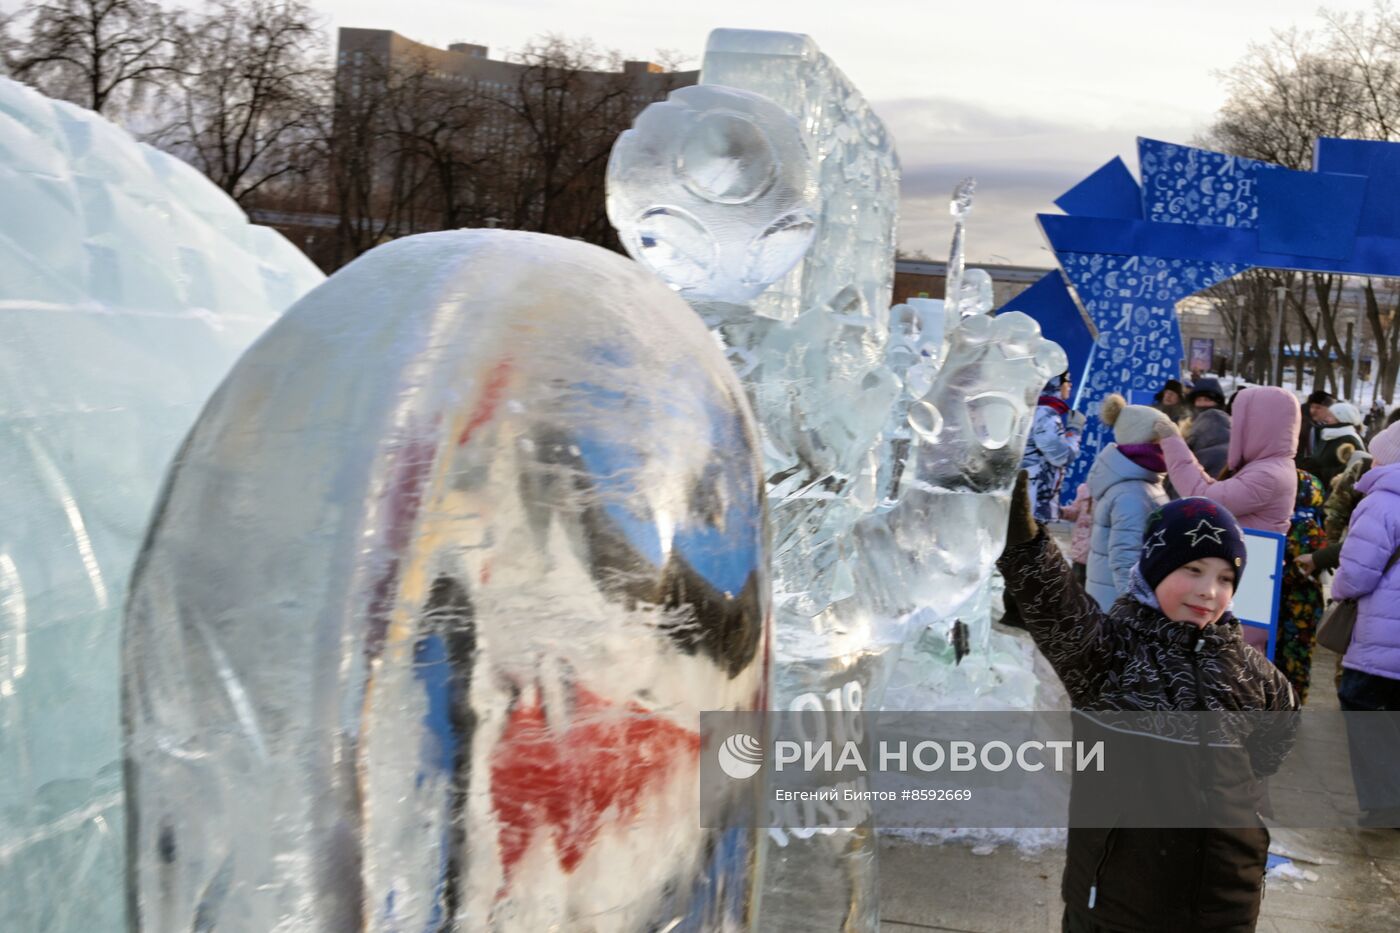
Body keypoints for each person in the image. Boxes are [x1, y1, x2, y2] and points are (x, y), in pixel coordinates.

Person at [998, 486, 1298, 932]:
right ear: (1154, 568)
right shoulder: (1107, 653)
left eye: (1224, 579)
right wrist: (1022, 536)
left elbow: (1274, 742)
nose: (1207, 591)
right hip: (1121, 900)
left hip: (1227, 899)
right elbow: (1053, 603)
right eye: (1192, 569)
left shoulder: (1254, 674)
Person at [1329, 418, 1400, 826]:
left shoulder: (1382, 501)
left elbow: (1356, 574)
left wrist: (1338, 591)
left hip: (1382, 635)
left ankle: (1385, 803)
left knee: (1362, 706)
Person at [1156, 386, 1300, 534]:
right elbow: (1211, 491)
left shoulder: (1267, 475)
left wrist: (1172, 441)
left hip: (1250, 555)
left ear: (1259, 425)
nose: (1233, 424)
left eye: (1239, 419)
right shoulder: (1270, 465)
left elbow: (1204, 498)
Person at [1084, 395, 1170, 610]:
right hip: (1118, 609)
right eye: (1161, 439)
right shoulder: (1132, 493)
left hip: (1112, 602)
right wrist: (1137, 612)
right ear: (1147, 442)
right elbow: (1126, 561)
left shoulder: (1142, 481)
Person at [1276, 471, 1327, 704]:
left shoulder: (1300, 525)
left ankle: (1287, 704)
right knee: (1297, 658)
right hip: (1305, 604)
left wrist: (1278, 575)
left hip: (1294, 603)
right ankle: (1292, 702)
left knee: (1288, 657)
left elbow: (1300, 568)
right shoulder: (1313, 524)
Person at [1022, 372, 1084, 523]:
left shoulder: (1038, 411)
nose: (1070, 385)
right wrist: (1074, 430)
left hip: (1031, 502)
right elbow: (1060, 457)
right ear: (1055, 384)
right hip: (1034, 505)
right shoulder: (1044, 414)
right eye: (1067, 381)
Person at [1303, 401, 1366, 491]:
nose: (1326, 419)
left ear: (1342, 418)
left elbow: (1353, 470)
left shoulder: (1349, 439)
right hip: (1318, 487)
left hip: (1334, 492)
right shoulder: (1329, 435)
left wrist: (1320, 471)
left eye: (1330, 416)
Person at [1060, 483, 1095, 587]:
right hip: (1081, 550)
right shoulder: (1086, 489)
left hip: (1098, 552)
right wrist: (1061, 511)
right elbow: (1075, 511)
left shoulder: (1115, 493)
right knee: (1076, 588)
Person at [1299, 389, 1336, 462]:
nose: (1313, 411)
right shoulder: (1303, 425)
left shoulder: (1336, 429)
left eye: (1318, 407)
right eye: (1312, 407)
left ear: (1330, 409)